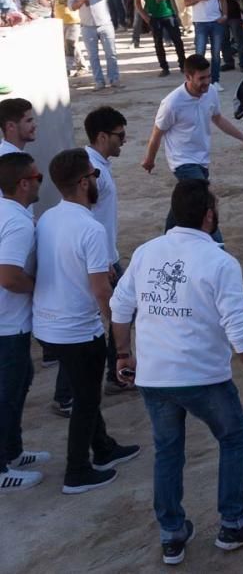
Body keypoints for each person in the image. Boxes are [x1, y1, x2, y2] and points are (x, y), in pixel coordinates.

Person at [110, 180, 243, 565]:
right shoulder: (221, 262)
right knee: (233, 437)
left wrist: (123, 354)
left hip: (154, 377)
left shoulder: (145, 252)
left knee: (168, 451)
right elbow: (240, 334)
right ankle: (233, 522)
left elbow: (120, 307)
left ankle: (172, 534)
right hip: (203, 377)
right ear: (209, 216)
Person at [34, 148, 140, 494]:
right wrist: (118, 332)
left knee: (85, 393)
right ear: (83, 182)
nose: (98, 181)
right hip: (77, 328)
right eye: (94, 176)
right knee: (87, 400)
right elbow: (100, 290)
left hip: (49, 324)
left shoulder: (48, 217)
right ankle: (77, 471)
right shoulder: (91, 229)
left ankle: (104, 447)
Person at [143, 55, 243, 244]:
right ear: (188, 76)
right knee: (205, 202)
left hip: (202, 160)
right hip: (182, 162)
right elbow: (157, 133)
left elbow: (218, 119)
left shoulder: (211, 92)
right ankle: (218, 247)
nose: (206, 82)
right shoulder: (172, 102)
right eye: (201, 78)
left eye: (208, 76)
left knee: (183, 203)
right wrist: (150, 159)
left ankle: (165, 241)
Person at [0, 152, 49, 493]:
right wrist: (43, 291)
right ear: (23, 183)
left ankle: (13, 452)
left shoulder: (7, 212)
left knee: (20, 383)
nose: (39, 181)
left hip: (7, 322)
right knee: (8, 391)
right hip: (8, 324)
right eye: (37, 177)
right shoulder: (17, 222)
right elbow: (9, 276)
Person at [82, 107, 133, 395]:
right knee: (117, 314)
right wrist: (103, 259)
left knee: (119, 313)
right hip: (102, 258)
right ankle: (116, 374)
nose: (124, 140)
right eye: (119, 135)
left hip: (105, 254)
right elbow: (86, 216)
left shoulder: (95, 162)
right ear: (102, 136)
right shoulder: (92, 170)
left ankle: (116, 373)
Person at [70, 0, 121, 91]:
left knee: (111, 53)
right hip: (87, 26)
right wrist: (81, 1)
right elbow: (72, 7)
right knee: (93, 56)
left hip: (105, 23)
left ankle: (114, 79)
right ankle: (99, 81)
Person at [134, 0, 186, 77]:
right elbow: (137, 3)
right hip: (154, 16)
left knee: (177, 41)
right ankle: (164, 67)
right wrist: (146, 17)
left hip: (168, 13)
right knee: (158, 43)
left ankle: (183, 65)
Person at [184, 0, 227, 90]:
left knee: (216, 53)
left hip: (216, 21)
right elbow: (186, 1)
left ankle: (215, 81)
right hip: (200, 22)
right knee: (199, 53)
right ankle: (196, 81)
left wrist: (225, 15)